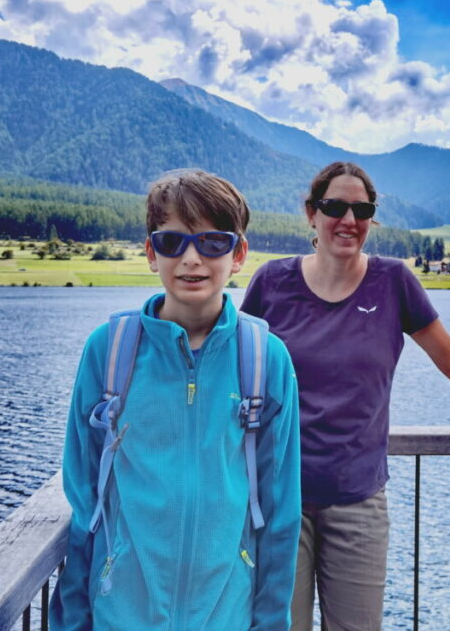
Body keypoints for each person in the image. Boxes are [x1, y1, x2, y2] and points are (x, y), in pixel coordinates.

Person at [241, 161, 450, 631]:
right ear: (311, 212)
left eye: (362, 209)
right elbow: (233, 367)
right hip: (279, 499)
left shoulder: (393, 282)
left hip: (358, 500)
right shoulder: (273, 282)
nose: (348, 220)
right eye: (335, 207)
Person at [51, 169, 302, 631]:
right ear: (151, 253)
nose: (191, 259)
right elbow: (84, 501)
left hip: (226, 615)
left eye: (212, 242)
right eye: (172, 242)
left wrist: (271, 623)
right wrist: (72, 621)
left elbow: (280, 512)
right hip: (120, 615)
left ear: (239, 254)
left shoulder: (266, 359)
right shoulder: (108, 352)